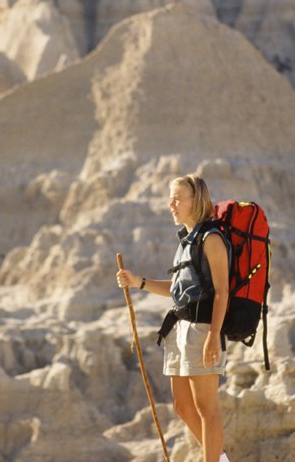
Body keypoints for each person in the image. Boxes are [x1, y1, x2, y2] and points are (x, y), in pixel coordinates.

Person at [116, 174, 231, 462]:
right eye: (171, 198)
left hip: (203, 329)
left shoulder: (212, 239)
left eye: (178, 198)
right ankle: (220, 458)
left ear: (198, 201)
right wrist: (137, 281)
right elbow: (179, 291)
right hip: (179, 330)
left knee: (207, 408)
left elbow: (222, 291)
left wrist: (214, 335)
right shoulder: (185, 242)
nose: (171, 204)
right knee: (182, 406)